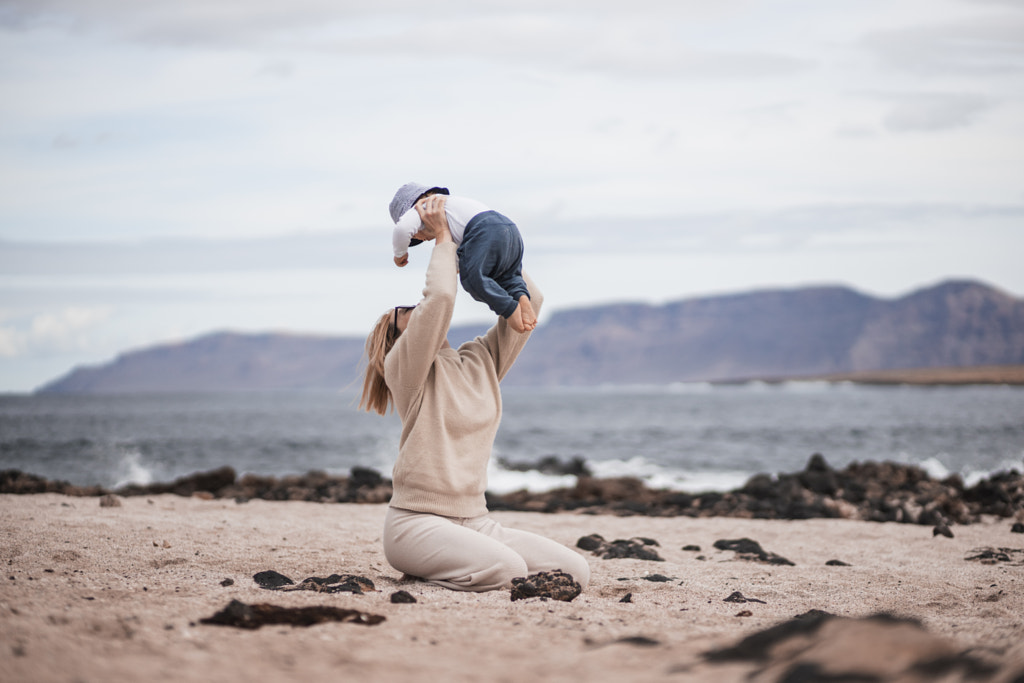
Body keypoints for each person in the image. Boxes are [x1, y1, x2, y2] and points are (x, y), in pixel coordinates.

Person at [361, 196, 590, 593]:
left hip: (476, 520)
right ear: (398, 339)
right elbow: (442, 299)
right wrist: (442, 237)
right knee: (508, 571)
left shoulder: (480, 361)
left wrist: (482, 239)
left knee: (575, 571)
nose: (416, 306)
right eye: (405, 309)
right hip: (415, 524)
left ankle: (447, 565)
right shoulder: (406, 371)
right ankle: (427, 570)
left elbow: (531, 302)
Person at [388, 182, 537, 333]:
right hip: (509, 228)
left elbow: (402, 229)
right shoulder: (454, 210)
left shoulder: (422, 207)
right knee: (508, 274)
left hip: (484, 229)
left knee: (473, 280)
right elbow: (464, 252)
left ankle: (509, 309)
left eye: (416, 235)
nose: (421, 239)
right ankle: (521, 297)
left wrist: (400, 254)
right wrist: (456, 266)